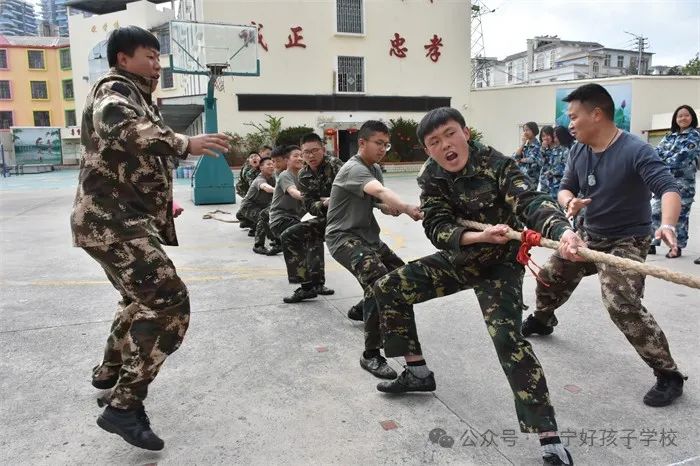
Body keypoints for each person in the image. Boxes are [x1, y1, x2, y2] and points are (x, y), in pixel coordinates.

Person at [373, 108, 575, 466]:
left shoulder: (497, 164)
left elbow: (530, 201)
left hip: (500, 267)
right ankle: (417, 372)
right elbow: (437, 227)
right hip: (461, 257)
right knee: (389, 287)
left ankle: (549, 438)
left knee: (507, 340)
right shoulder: (431, 175)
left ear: (465, 133)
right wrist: (479, 236)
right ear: (427, 150)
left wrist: (563, 232)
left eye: (450, 134)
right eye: (434, 142)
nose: (445, 145)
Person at [71, 26, 231, 450]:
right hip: (112, 223)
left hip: (119, 221)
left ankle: (110, 370)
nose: (157, 65)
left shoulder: (138, 96)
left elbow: (131, 162)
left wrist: (159, 207)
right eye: (149, 56)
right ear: (123, 59)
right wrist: (184, 143)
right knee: (169, 303)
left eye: (159, 58)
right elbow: (119, 126)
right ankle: (124, 407)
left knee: (136, 300)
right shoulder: (114, 90)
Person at [522, 83, 686, 408]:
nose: (569, 124)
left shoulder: (635, 150)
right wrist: (570, 201)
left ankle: (669, 374)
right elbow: (565, 187)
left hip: (628, 239)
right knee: (549, 275)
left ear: (596, 114)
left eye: (574, 116)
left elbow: (668, 188)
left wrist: (667, 224)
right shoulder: (578, 150)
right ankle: (543, 319)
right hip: (589, 235)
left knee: (620, 302)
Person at [325, 120, 422, 381]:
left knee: (401, 275)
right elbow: (379, 190)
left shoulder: (374, 168)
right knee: (379, 281)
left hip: (368, 238)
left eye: (386, 144)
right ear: (362, 143)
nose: (383, 149)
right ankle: (371, 354)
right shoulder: (353, 168)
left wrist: (388, 208)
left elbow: (376, 199)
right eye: (379, 143)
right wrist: (406, 207)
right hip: (343, 238)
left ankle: (362, 309)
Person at [296, 132, 363, 319]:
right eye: (306, 152)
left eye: (315, 150)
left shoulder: (336, 165)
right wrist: (324, 202)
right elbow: (309, 205)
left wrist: (328, 201)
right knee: (292, 235)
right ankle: (310, 286)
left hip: (347, 219)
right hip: (327, 218)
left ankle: (372, 297)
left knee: (361, 259)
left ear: (323, 149)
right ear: (302, 153)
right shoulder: (303, 174)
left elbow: (351, 193)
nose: (311, 155)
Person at [649, 105, 700, 258]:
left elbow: (683, 157)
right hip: (664, 181)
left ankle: (676, 247)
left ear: (692, 117)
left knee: (680, 216)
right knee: (656, 211)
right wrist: (659, 162)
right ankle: (652, 243)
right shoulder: (669, 136)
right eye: (680, 116)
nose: (683, 118)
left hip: (683, 184)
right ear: (675, 119)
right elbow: (657, 152)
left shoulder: (695, 136)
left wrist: (661, 163)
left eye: (686, 115)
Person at [268, 146, 316, 293]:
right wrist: (315, 199)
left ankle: (315, 284)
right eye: (296, 155)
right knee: (299, 240)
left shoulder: (305, 177)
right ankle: (307, 286)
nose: (300, 158)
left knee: (314, 240)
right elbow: (294, 193)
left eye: (301, 155)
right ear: (287, 160)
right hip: (280, 220)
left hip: (294, 219)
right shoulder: (285, 175)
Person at [236, 157, 276, 251]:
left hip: (261, 206)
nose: (271, 166)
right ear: (261, 167)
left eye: (272, 164)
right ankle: (258, 246)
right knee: (263, 219)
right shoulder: (259, 179)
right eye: (268, 164)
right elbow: (266, 187)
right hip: (248, 206)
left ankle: (274, 239)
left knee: (272, 216)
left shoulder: (273, 178)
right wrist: (279, 191)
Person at [539, 126, 575, 200]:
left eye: (555, 137)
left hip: (561, 186)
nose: (555, 139)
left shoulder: (569, 149)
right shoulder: (555, 149)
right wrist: (543, 150)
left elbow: (567, 167)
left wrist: (551, 172)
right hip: (549, 185)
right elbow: (545, 163)